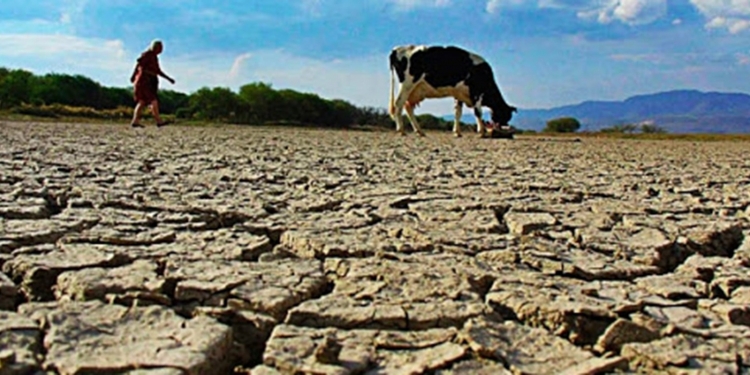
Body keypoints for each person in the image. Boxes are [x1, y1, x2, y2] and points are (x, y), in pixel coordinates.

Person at [130, 39, 176, 128]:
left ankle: (135, 121)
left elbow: (158, 71)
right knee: (153, 100)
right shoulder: (147, 54)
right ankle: (158, 121)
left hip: (149, 81)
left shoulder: (154, 57)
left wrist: (169, 79)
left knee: (142, 101)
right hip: (144, 81)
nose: (161, 50)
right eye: (160, 48)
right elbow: (139, 65)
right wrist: (133, 75)